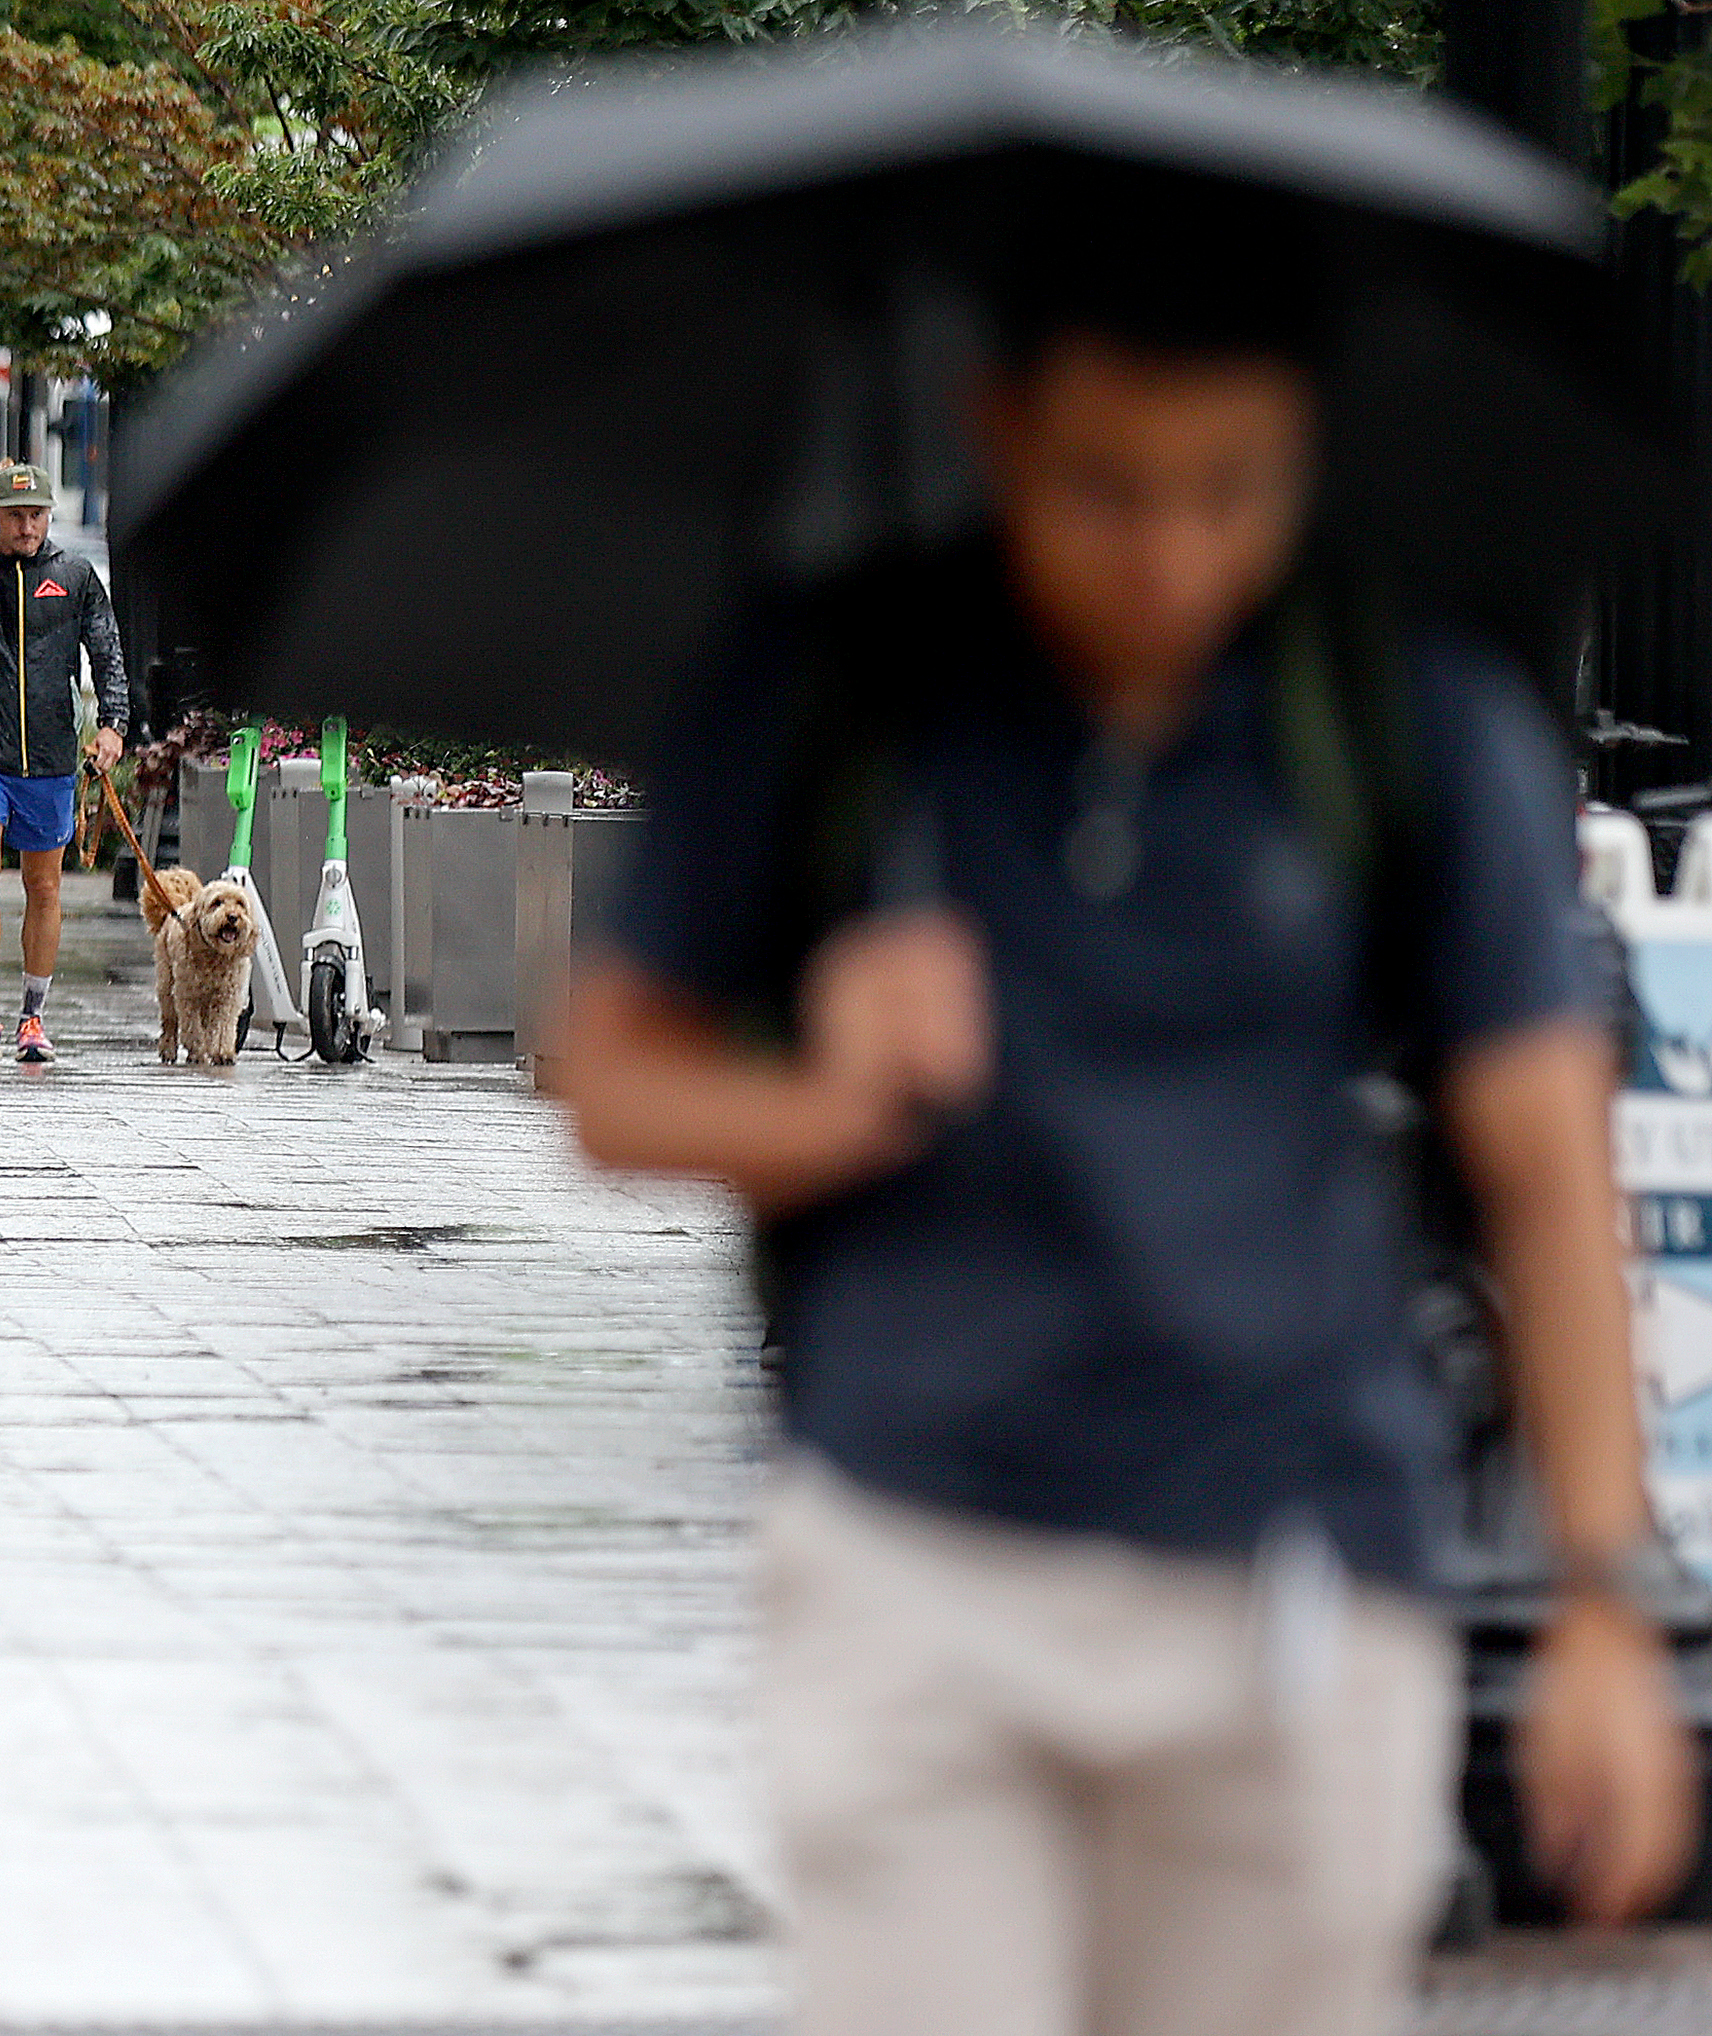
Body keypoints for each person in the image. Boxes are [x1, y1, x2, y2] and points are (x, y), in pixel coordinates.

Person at [559, 209, 1699, 2036]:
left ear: (1304, 445)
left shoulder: (1396, 709)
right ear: (999, 423)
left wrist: (1594, 1604)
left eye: (1230, 488)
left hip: (1293, 1585)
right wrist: (824, 1091)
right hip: (921, 1566)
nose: (1173, 551)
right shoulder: (844, 686)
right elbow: (608, 1080)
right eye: (1109, 489)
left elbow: (1550, 1170)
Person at [0, 461, 128, 1063]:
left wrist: (112, 726)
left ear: (48, 517)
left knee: (44, 884)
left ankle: (34, 1016)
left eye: (36, 515)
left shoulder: (76, 576)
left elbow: (108, 655)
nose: (27, 526)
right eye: (16, 515)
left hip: (54, 757)